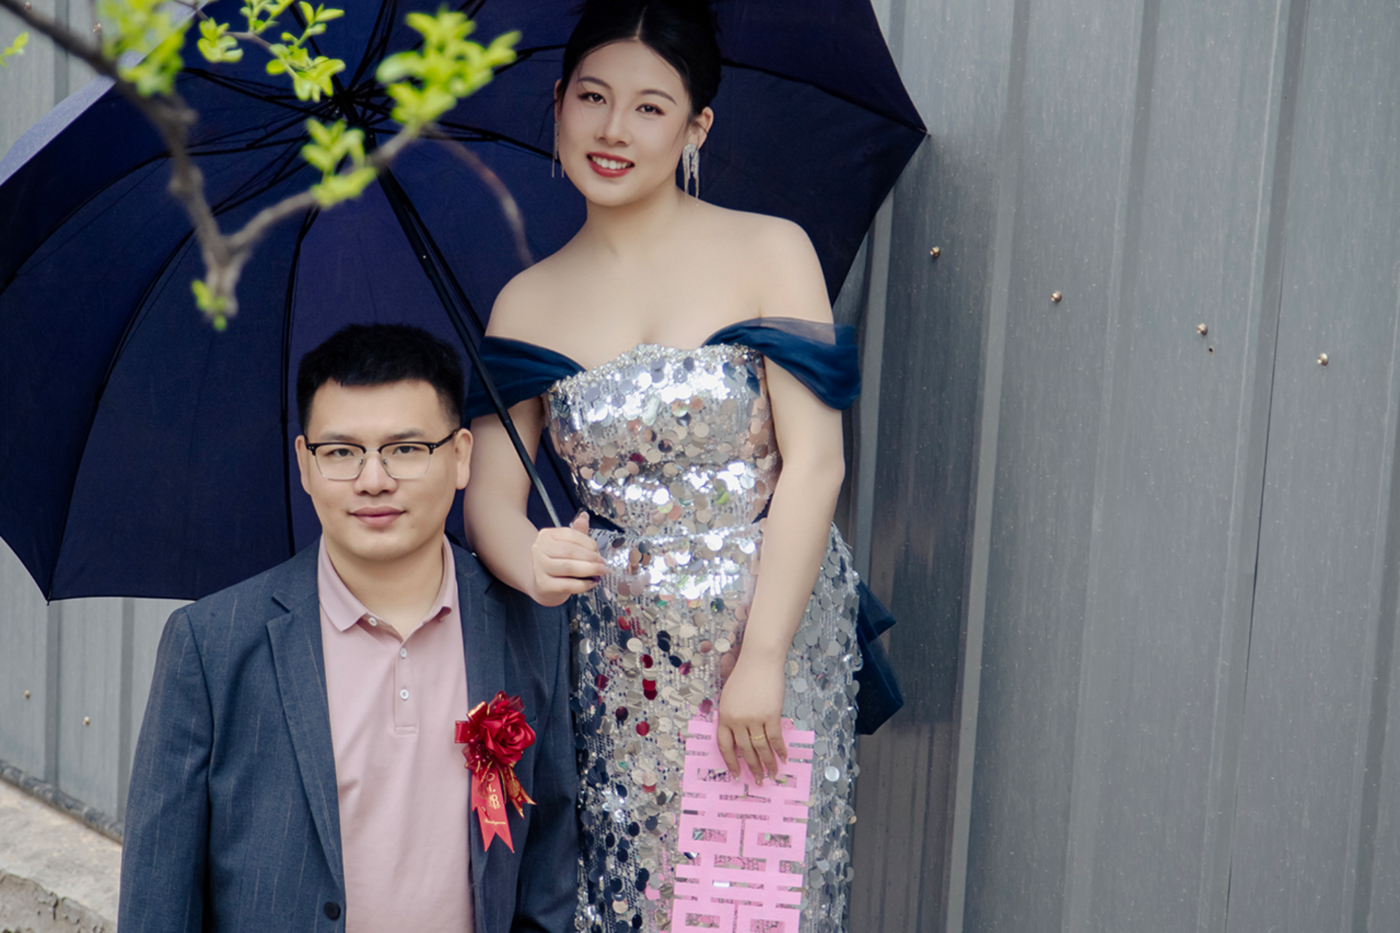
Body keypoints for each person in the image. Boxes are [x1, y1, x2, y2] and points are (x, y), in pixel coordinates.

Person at [462, 3, 864, 930]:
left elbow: (817, 465)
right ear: (558, 103)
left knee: (757, 902)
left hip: (767, 628)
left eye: (650, 107)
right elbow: (490, 503)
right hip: (615, 660)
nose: (613, 129)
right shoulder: (525, 302)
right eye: (593, 97)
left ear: (696, 127)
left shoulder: (770, 250)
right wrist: (531, 558)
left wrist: (763, 657)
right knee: (626, 900)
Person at [119, 324, 578, 933]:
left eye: (406, 449)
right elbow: (158, 897)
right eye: (341, 452)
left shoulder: (530, 624)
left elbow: (549, 864)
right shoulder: (212, 644)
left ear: (462, 455)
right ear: (305, 464)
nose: (373, 480)